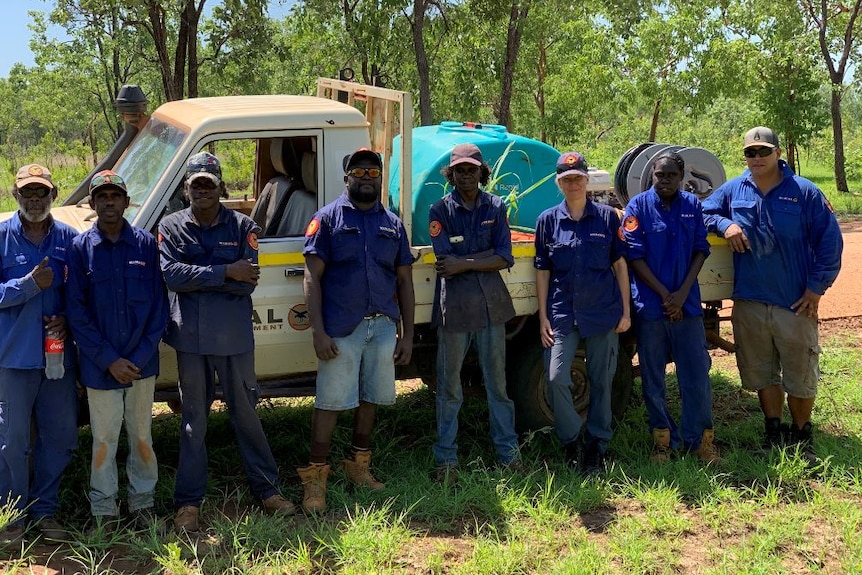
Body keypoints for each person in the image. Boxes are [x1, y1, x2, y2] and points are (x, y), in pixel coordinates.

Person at [159, 152, 296, 533]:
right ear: (185, 189)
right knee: (193, 422)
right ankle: (188, 504)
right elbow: (171, 275)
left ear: (221, 187)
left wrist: (203, 279)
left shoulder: (243, 226)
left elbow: (247, 282)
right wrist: (224, 271)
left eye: (209, 183)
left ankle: (268, 491)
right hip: (190, 339)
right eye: (195, 184)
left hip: (233, 339)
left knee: (247, 415)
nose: (202, 190)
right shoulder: (170, 227)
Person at [702, 127, 843, 459]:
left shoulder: (805, 192)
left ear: (779, 153)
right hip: (750, 300)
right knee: (761, 370)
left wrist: (816, 289)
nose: (757, 158)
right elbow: (703, 212)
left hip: (795, 302)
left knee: (800, 372)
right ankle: (773, 429)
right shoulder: (734, 190)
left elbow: (830, 243)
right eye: (750, 153)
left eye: (763, 151)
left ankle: (802, 433)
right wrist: (726, 225)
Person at [299, 147, 414, 514]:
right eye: (359, 172)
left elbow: (405, 281)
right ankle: (316, 478)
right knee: (331, 402)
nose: (367, 178)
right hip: (341, 329)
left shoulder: (393, 224)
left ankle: (358, 466)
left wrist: (407, 334)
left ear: (381, 178)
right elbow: (311, 278)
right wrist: (317, 331)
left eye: (373, 172)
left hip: (381, 326)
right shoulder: (327, 220)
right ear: (346, 177)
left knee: (371, 398)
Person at [67, 170, 169, 531]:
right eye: (102, 197)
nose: (109, 202)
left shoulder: (145, 244)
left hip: (141, 364)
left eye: (115, 196)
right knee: (104, 439)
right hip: (100, 368)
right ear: (93, 204)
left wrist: (137, 358)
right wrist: (110, 360)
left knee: (142, 436)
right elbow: (76, 313)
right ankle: (104, 511)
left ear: (126, 202)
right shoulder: (80, 249)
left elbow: (159, 308)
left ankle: (142, 504)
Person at [429, 143, 521, 482]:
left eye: (472, 169)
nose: (467, 175)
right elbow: (443, 263)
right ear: (451, 174)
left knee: (498, 386)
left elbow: (505, 256)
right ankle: (446, 461)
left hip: (491, 309)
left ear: (482, 173)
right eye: (460, 170)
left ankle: (508, 454)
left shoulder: (495, 206)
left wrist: (464, 263)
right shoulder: (439, 210)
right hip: (454, 311)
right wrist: (481, 261)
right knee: (449, 389)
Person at [534, 152, 631, 474]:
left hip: (603, 311)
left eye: (577, 177)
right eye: (566, 179)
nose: (573, 183)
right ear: (558, 183)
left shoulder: (607, 218)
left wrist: (625, 312)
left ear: (587, 180)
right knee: (556, 377)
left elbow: (620, 265)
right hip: (562, 314)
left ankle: (597, 446)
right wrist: (543, 317)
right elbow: (543, 270)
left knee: (602, 380)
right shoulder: (547, 220)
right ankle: (572, 439)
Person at [0, 164, 78, 544]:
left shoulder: (69, 239)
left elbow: (82, 296)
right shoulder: (1, 237)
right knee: (12, 439)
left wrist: (69, 321)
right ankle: (12, 518)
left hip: (58, 358)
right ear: (15, 195)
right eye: (27, 193)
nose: (35, 200)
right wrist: (28, 285)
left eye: (41, 193)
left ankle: (45, 511)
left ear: (54, 194)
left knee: (60, 434)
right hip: (13, 358)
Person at [623, 152, 719, 463]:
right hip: (652, 308)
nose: (664, 180)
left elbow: (700, 251)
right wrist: (667, 296)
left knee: (696, 375)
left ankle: (699, 441)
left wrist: (681, 296)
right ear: (651, 175)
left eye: (670, 175)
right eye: (659, 174)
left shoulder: (692, 206)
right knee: (654, 378)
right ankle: (663, 441)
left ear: (681, 177)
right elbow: (634, 256)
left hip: (687, 307)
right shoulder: (637, 207)